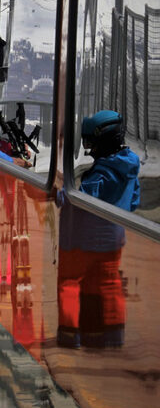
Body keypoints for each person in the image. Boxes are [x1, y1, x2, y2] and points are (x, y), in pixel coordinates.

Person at [57, 110, 140, 348]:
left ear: (103, 142)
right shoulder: (130, 167)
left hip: (82, 241)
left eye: (91, 143)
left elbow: (79, 199)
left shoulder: (101, 173)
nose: (90, 149)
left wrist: (61, 195)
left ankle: (70, 334)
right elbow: (133, 202)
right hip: (114, 240)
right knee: (109, 282)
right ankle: (113, 335)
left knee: (70, 282)